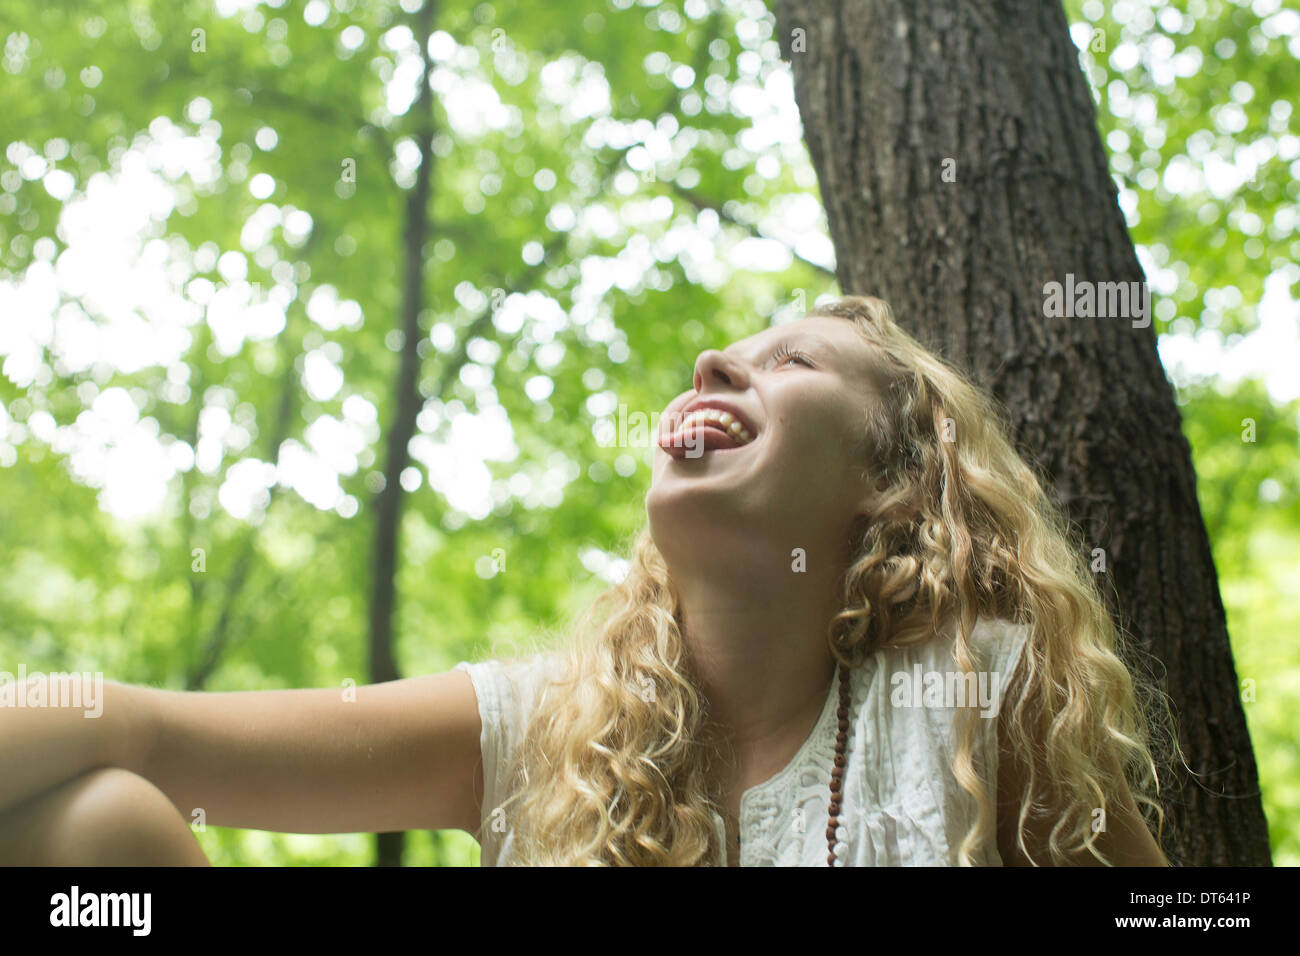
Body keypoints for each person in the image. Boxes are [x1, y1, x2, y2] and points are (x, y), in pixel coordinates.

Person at [0, 295, 1174, 867]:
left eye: (797, 358)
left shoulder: (970, 701)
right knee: (100, 829)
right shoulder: (545, 728)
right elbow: (135, 728)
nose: (717, 359)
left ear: (893, 485)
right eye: (729, 351)